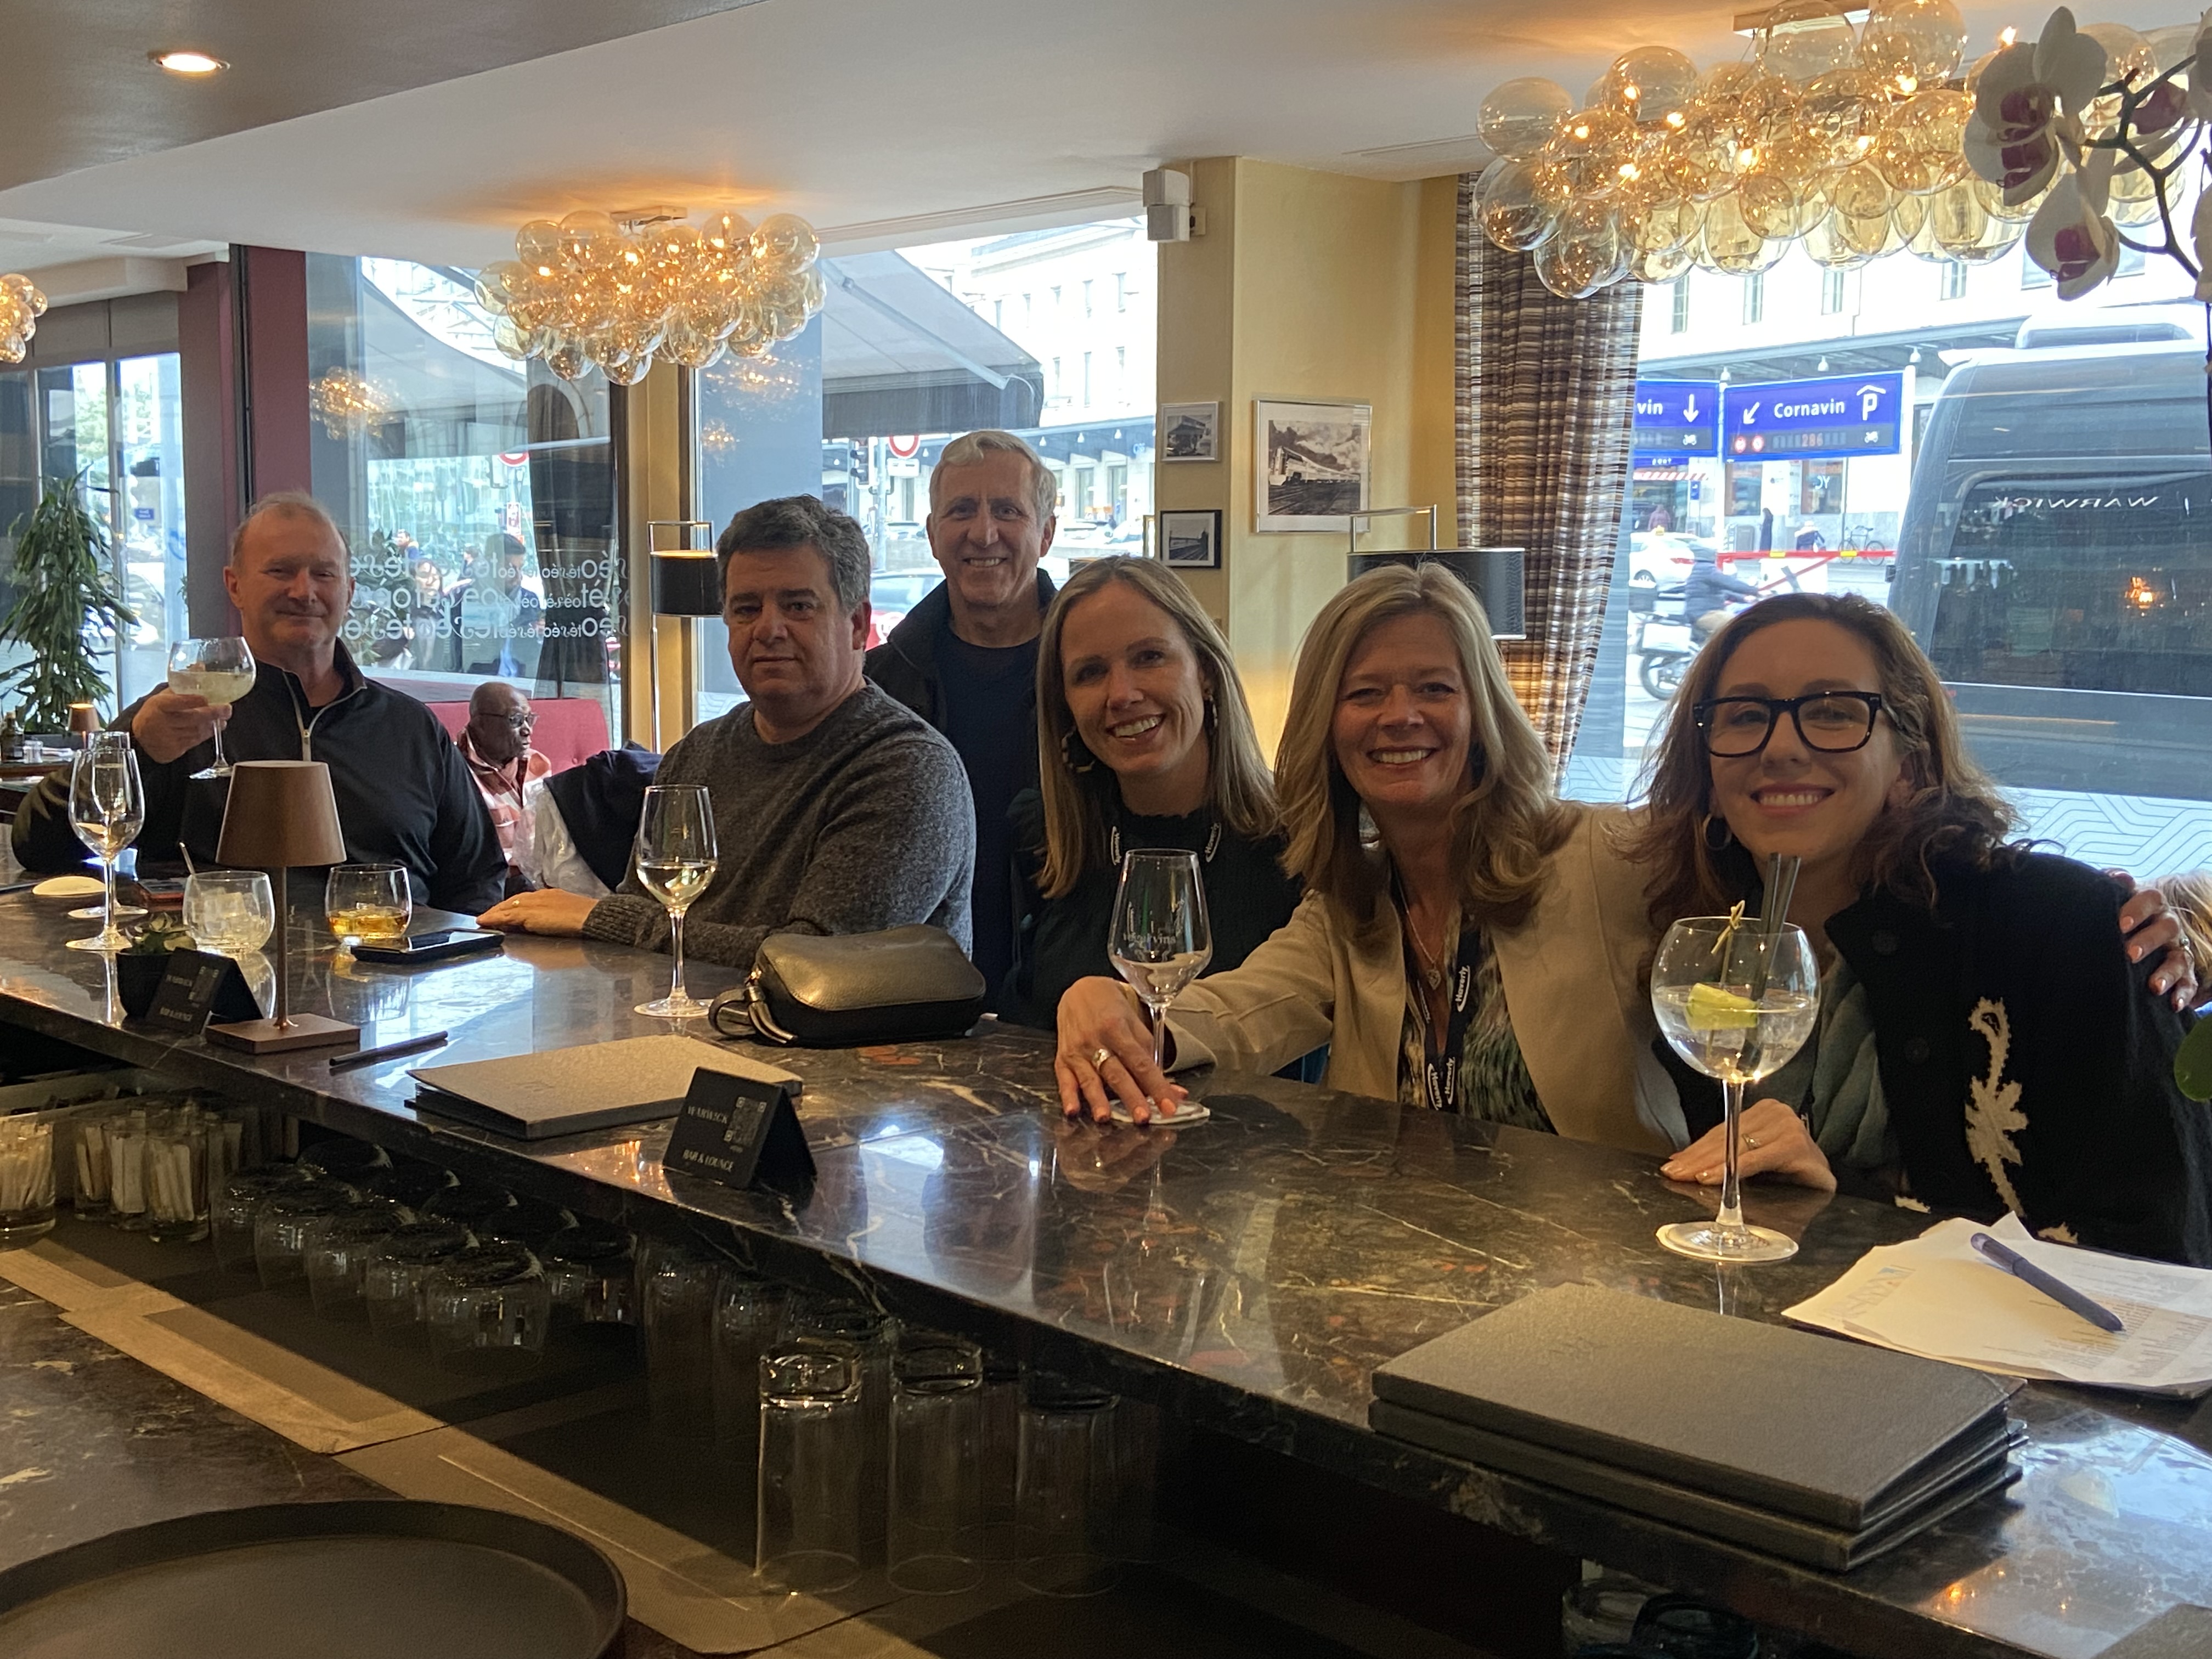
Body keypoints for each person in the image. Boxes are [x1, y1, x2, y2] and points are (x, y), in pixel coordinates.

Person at [1637, 593, 2211, 1265]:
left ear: (1908, 765)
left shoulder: (2065, 926)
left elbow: (2162, 1255)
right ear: (1709, 772)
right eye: (1745, 716)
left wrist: (1840, 1203)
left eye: (1832, 712)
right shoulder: (1700, 945)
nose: (1782, 747)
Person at [1054, 563, 1680, 1150]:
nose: (1400, 716)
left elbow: (1736, 966)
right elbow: (1235, 1015)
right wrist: (1113, 1005)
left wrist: (1748, 1126)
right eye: (1365, 693)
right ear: (1327, 729)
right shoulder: (1347, 909)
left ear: (1482, 711)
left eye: (1434, 688)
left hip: (1602, 1234)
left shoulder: (1602, 857)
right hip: (1395, 1230)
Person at [479, 495, 974, 966]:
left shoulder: (908, 770)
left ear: (858, 625)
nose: (769, 629)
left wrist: (603, 919)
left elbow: (816, 963)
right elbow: (637, 935)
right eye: (746, 609)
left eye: (798, 606)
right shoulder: (696, 754)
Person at [10, 492, 507, 914]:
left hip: (393, 983)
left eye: (324, 574)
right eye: (280, 571)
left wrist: (448, 965)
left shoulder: (409, 727)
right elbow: (37, 843)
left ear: (349, 591)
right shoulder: (178, 716)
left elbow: (478, 877)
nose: (304, 591)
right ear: (235, 586)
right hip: (228, 983)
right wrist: (139, 749)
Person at [1003, 557, 1300, 1029]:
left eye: (1149, 658)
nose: (1122, 694)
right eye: (1090, 672)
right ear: (1065, 704)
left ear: (1205, 670)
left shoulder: (1305, 840)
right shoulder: (1043, 839)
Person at [867, 430, 1059, 1004]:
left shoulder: (1093, 677)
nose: (983, 532)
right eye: (961, 511)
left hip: (1065, 991)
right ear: (932, 535)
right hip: (913, 993)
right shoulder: (877, 683)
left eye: (1007, 511)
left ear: (1046, 533)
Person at [458, 682, 552, 896]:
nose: (528, 730)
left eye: (529, 719)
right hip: (489, 885)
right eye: (516, 720)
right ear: (481, 724)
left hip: (543, 880)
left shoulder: (538, 764)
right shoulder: (455, 771)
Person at [449, 532, 543, 677]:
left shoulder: (529, 600)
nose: (518, 576)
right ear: (491, 565)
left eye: (520, 568)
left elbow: (531, 655)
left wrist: (538, 635)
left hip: (520, 681)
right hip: (478, 681)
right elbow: (456, 653)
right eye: (510, 569)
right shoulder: (466, 598)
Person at [1684, 544, 1760, 639]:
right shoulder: (1706, 569)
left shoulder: (1701, 569)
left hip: (1702, 612)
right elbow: (1730, 583)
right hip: (1705, 614)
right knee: (1740, 624)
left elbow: (1723, 592)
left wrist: (1744, 598)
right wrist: (1756, 591)